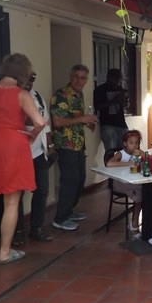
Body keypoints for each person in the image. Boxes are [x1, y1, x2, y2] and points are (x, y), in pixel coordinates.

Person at [0, 53, 46, 264]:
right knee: (11, 201)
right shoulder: (21, 94)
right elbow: (40, 121)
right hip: (13, 146)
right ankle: (4, 252)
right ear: (23, 73)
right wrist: (31, 136)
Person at [50, 64, 98, 231]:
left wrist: (88, 123)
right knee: (69, 181)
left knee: (80, 179)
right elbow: (57, 122)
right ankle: (60, 218)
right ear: (70, 77)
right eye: (76, 76)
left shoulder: (79, 95)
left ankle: (69, 211)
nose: (79, 80)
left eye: (83, 77)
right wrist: (82, 119)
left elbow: (76, 119)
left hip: (78, 144)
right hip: (65, 145)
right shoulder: (61, 95)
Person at [14, 72, 55, 245]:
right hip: (19, 153)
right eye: (27, 78)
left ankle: (37, 228)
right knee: (17, 194)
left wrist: (50, 147)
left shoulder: (37, 97)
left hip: (38, 152)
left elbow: (45, 124)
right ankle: (17, 231)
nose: (30, 82)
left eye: (32, 79)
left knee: (42, 190)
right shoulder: (13, 98)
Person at [104, 130, 144, 239]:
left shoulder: (138, 152)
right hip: (120, 183)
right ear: (125, 143)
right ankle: (134, 224)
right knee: (141, 195)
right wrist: (128, 163)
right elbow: (109, 163)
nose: (134, 145)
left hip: (134, 182)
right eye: (131, 143)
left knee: (147, 193)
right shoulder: (121, 153)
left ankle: (144, 223)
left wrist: (143, 155)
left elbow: (148, 162)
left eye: (136, 143)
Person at [94, 68, 128, 151]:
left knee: (125, 151)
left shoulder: (121, 90)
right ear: (109, 77)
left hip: (121, 124)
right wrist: (114, 101)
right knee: (111, 152)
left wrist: (126, 102)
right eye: (116, 78)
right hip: (107, 125)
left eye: (119, 79)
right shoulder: (100, 90)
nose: (118, 81)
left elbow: (125, 106)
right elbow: (97, 106)